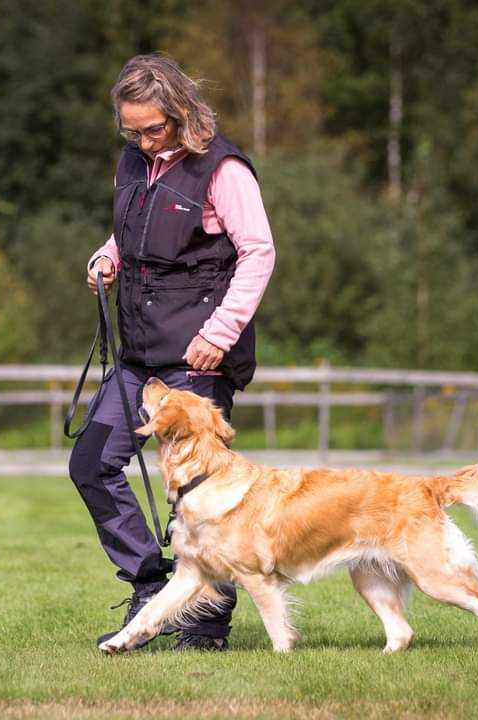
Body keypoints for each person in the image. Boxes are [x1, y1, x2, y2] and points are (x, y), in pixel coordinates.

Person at [68, 53, 275, 652]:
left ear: (181, 110)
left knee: (204, 492)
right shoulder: (134, 162)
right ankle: (149, 585)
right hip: (138, 353)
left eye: (153, 129)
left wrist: (220, 333)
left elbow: (258, 251)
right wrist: (106, 257)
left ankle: (205, 627)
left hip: (198, 355)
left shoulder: (223, 169)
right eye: (131, 131)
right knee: (91, 463)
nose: (143, 141)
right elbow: (131, 231)